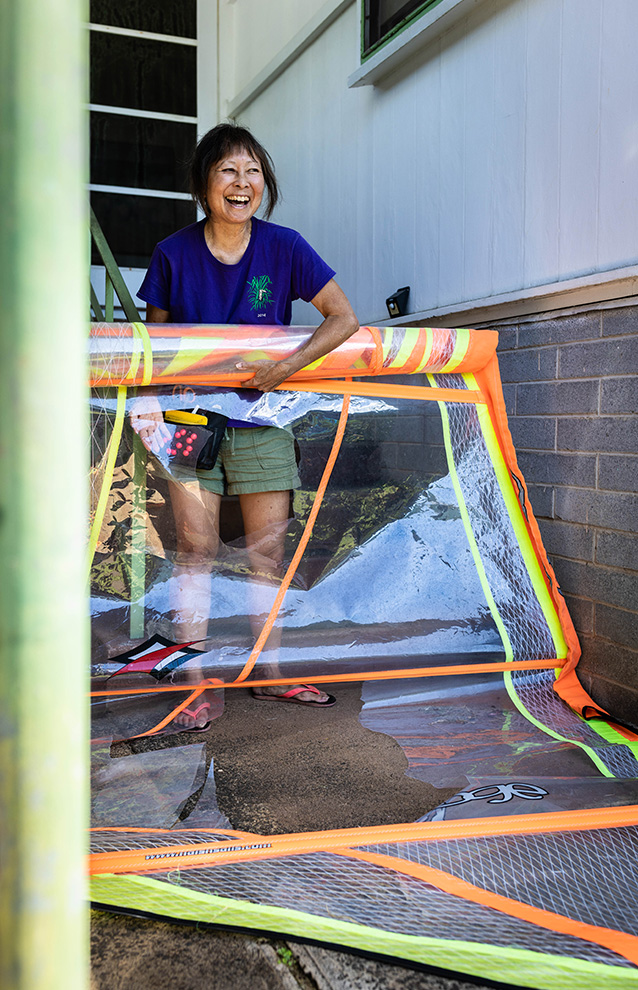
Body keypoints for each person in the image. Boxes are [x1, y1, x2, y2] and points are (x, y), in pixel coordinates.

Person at [131, 122, 359, 728]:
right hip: (185, 419)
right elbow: (155, 347)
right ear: (204, 183)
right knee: (195, 549)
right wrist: (148, 413)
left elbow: (343, 318)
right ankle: (195, 682)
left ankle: (269, 672)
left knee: (268, 551)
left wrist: (284, 369)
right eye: (228, 170)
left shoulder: (286, 247)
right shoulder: (173, 253)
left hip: (264, 420)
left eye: (253, 171)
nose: (242, 182)